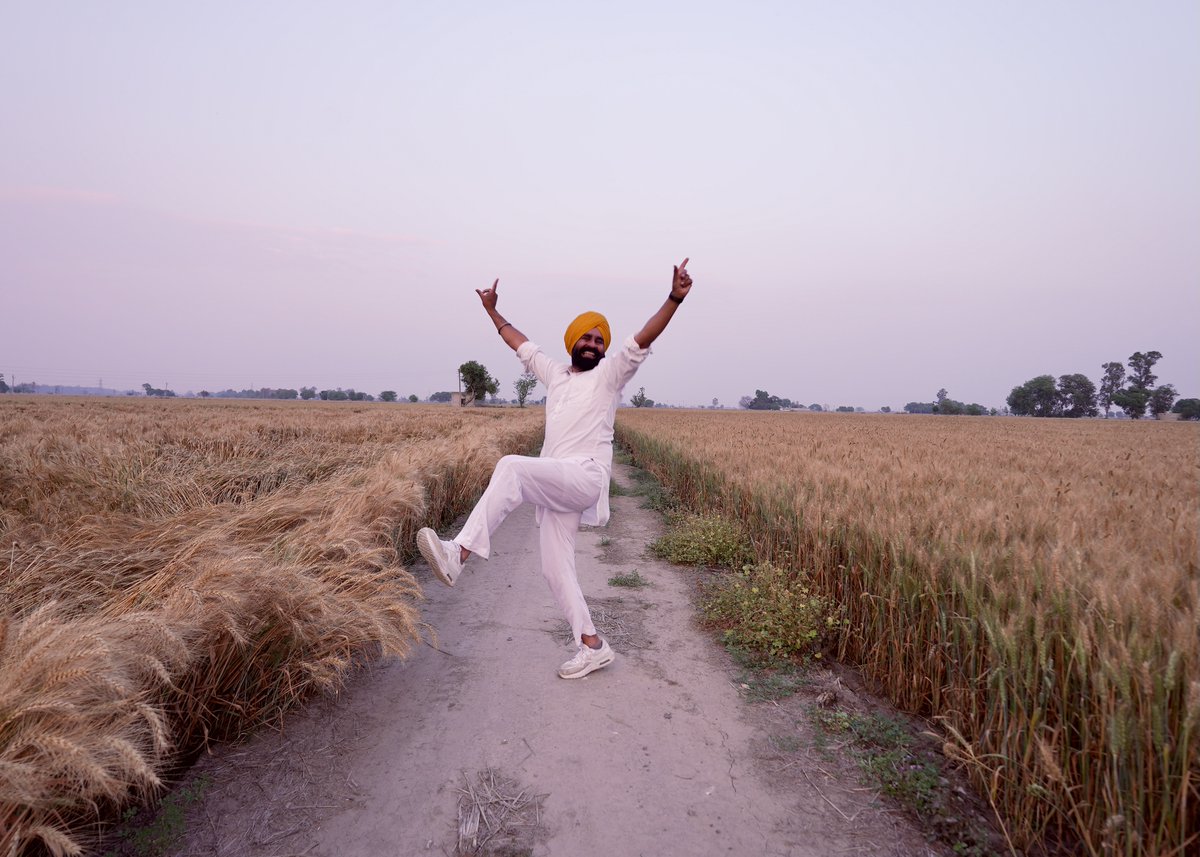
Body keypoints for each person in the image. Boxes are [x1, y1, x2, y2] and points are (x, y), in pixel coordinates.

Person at [417, 259, 694, 679]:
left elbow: (641, 339)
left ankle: (458, 553)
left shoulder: (609, 377)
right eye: (587, 336)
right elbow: (520, 343)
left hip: (583, 477)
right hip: (557, 483)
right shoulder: (556, 376)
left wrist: (674, 297)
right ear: (572, 342)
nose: (594, 343)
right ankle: (592, 645)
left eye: (600, 339)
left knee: (510, 467)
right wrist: (492, 311)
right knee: (554, 568)